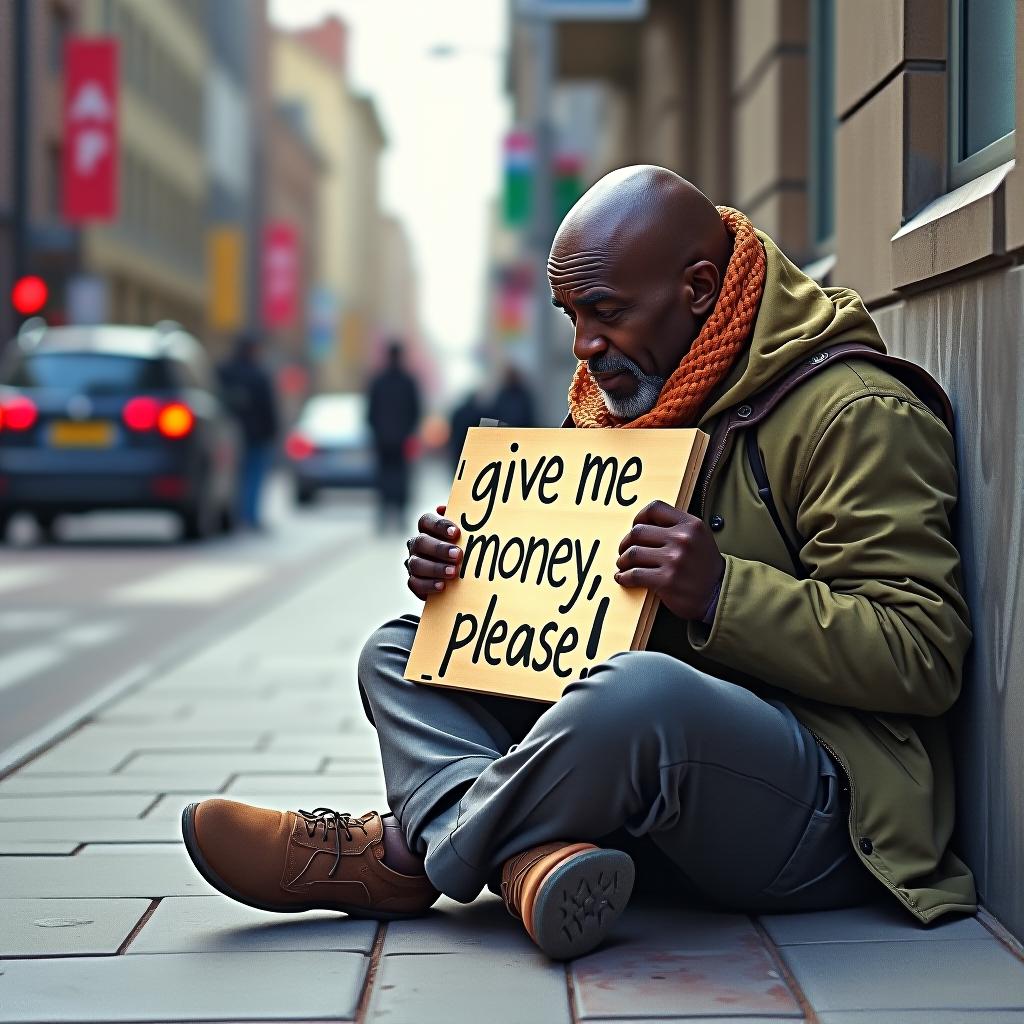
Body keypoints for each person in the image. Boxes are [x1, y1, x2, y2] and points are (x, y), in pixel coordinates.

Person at [183, 167, 974, 961]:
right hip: (656, 796)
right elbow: (566, 617)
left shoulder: (856, 411)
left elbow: (923, 653)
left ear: (698, 289)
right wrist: (468, 583)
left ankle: (400, 856)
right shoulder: (613, 408)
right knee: (398, 652)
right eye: (571, 315)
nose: (584, 346)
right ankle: (530, 863)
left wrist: (721, 594)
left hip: (827, 814)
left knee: (641, 696)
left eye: (606, 312)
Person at [218, 333, 279, 530]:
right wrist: (273, 431)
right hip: (256, 435)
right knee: (253, 476)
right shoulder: (258, 375)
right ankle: (249, 516)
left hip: (228, 433)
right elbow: (268, 408)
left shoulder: (224, 372)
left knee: (234, 476)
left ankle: (235, 515)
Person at [367, 340, 421, 532]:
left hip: (383, 440)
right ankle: (398, 515)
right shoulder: (408, 381)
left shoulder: (378, 381)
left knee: (383, 477)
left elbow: (370, 412)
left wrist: (376, 431)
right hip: (401, 440)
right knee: (401, 478)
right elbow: (416, 411)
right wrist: (408, 431)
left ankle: (384, 514)